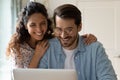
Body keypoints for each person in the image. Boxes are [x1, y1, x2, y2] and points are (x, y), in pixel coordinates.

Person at [6, 2, 97, 69]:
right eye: (33, 25)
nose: (39, 29)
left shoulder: (50, 40)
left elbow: (69, 38)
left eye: (42, 23)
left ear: (47, 22)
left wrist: (86, 37)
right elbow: (23, 78)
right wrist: (37, 55)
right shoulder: (17, 49)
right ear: (26, 26)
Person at [39, 4, 117, 80]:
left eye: (69, 29)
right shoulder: (47, 48)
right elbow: (39, 77)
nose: (63, 35)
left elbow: (109, 77)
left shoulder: (95, 49)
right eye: (59, 29)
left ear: (79, 27)